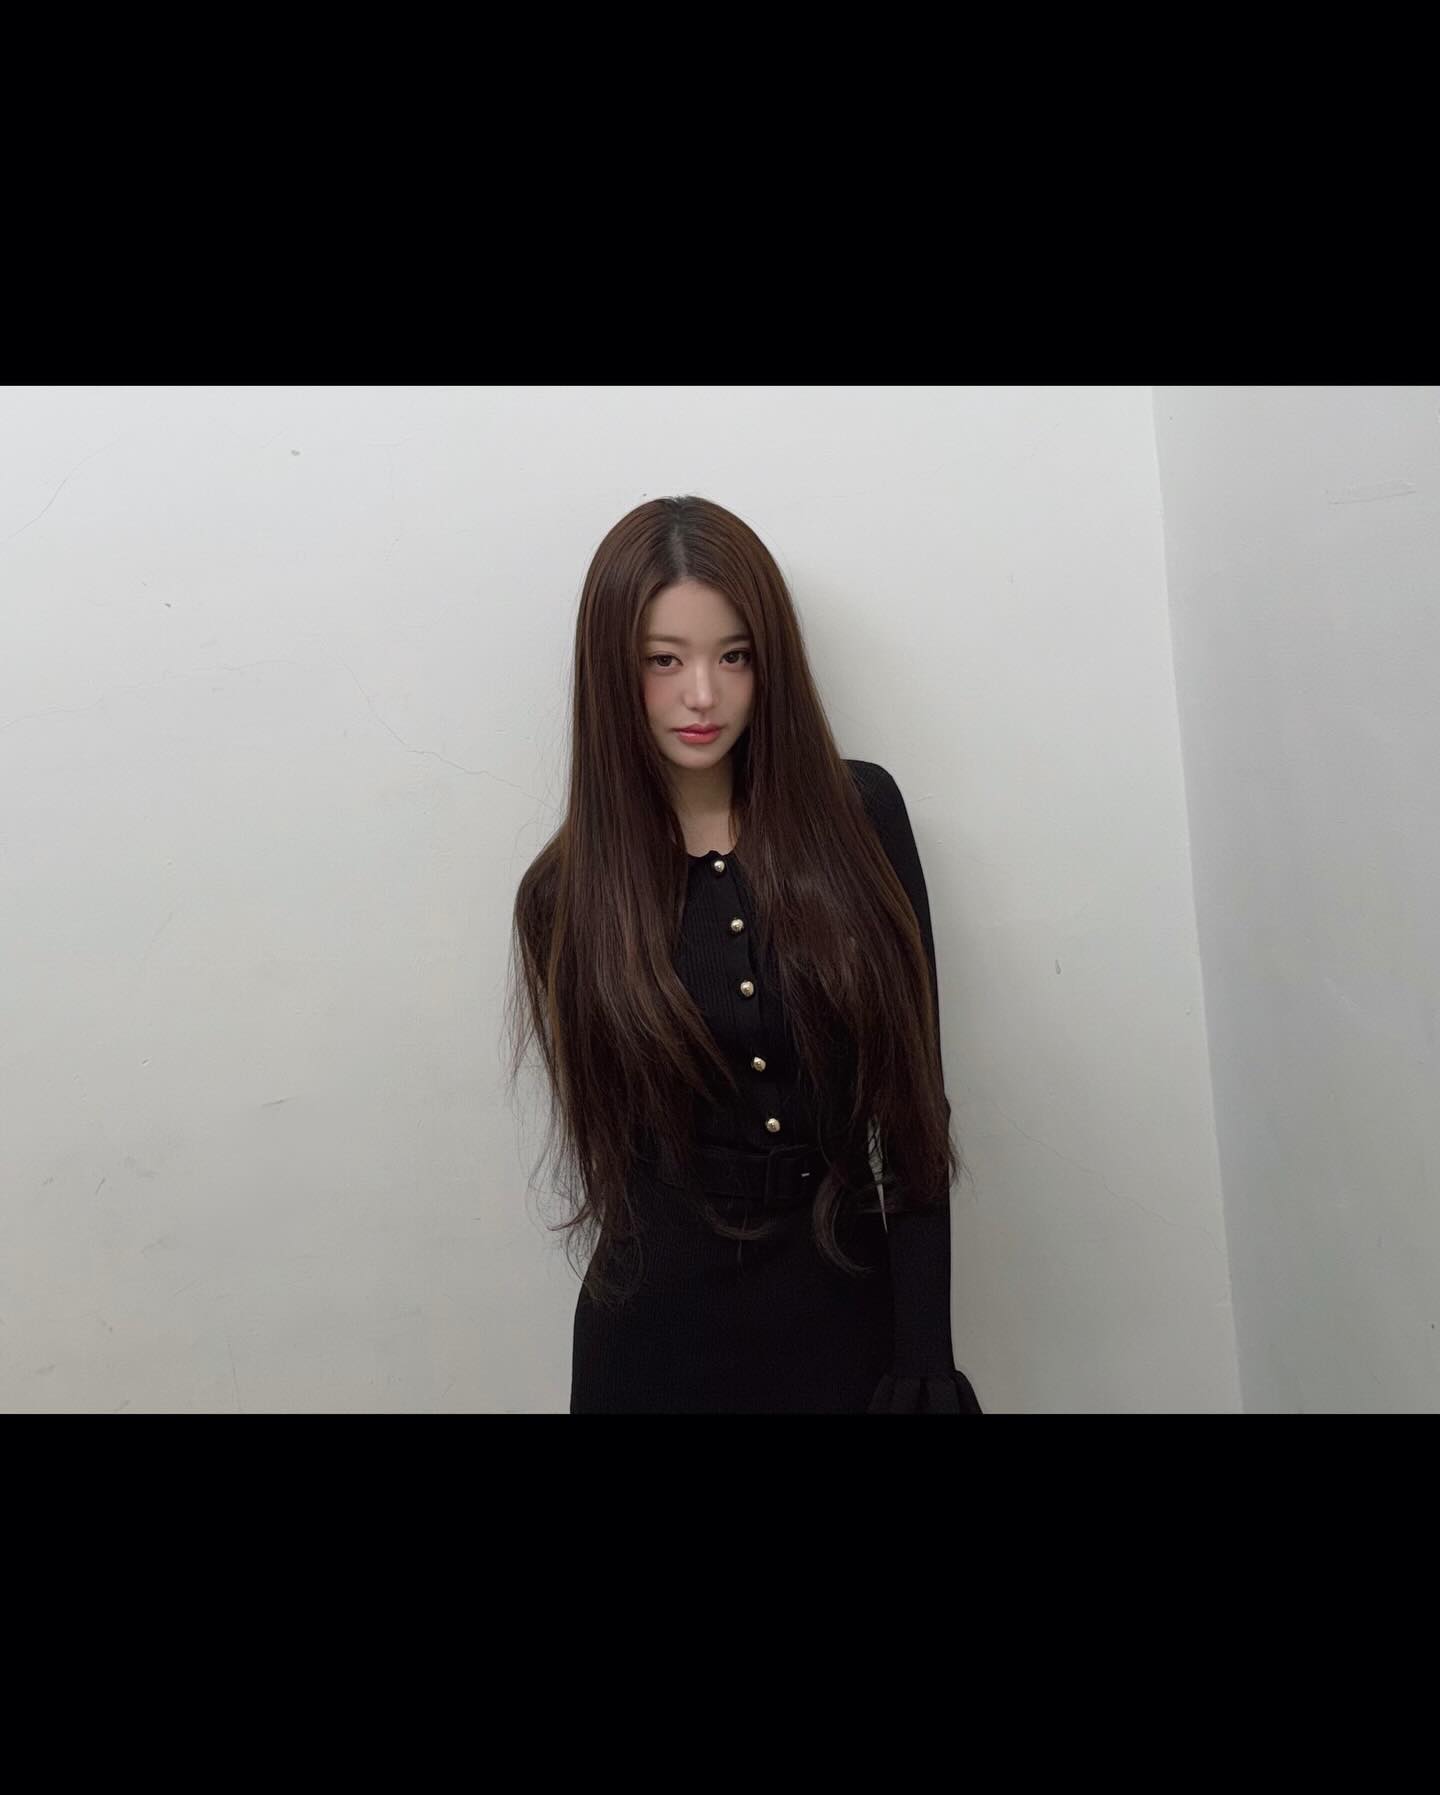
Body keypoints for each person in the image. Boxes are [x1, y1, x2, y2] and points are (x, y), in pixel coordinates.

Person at [506, 495, 982, 1413]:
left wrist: (925, 1349)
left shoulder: (861, 819)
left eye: (734, 656)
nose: (702, 694)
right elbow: (621, 1167)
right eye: (663, 660)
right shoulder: (562, 895)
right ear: (612, 671)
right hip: (654, 1346)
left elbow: (913, 1110)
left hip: (848, 1318)